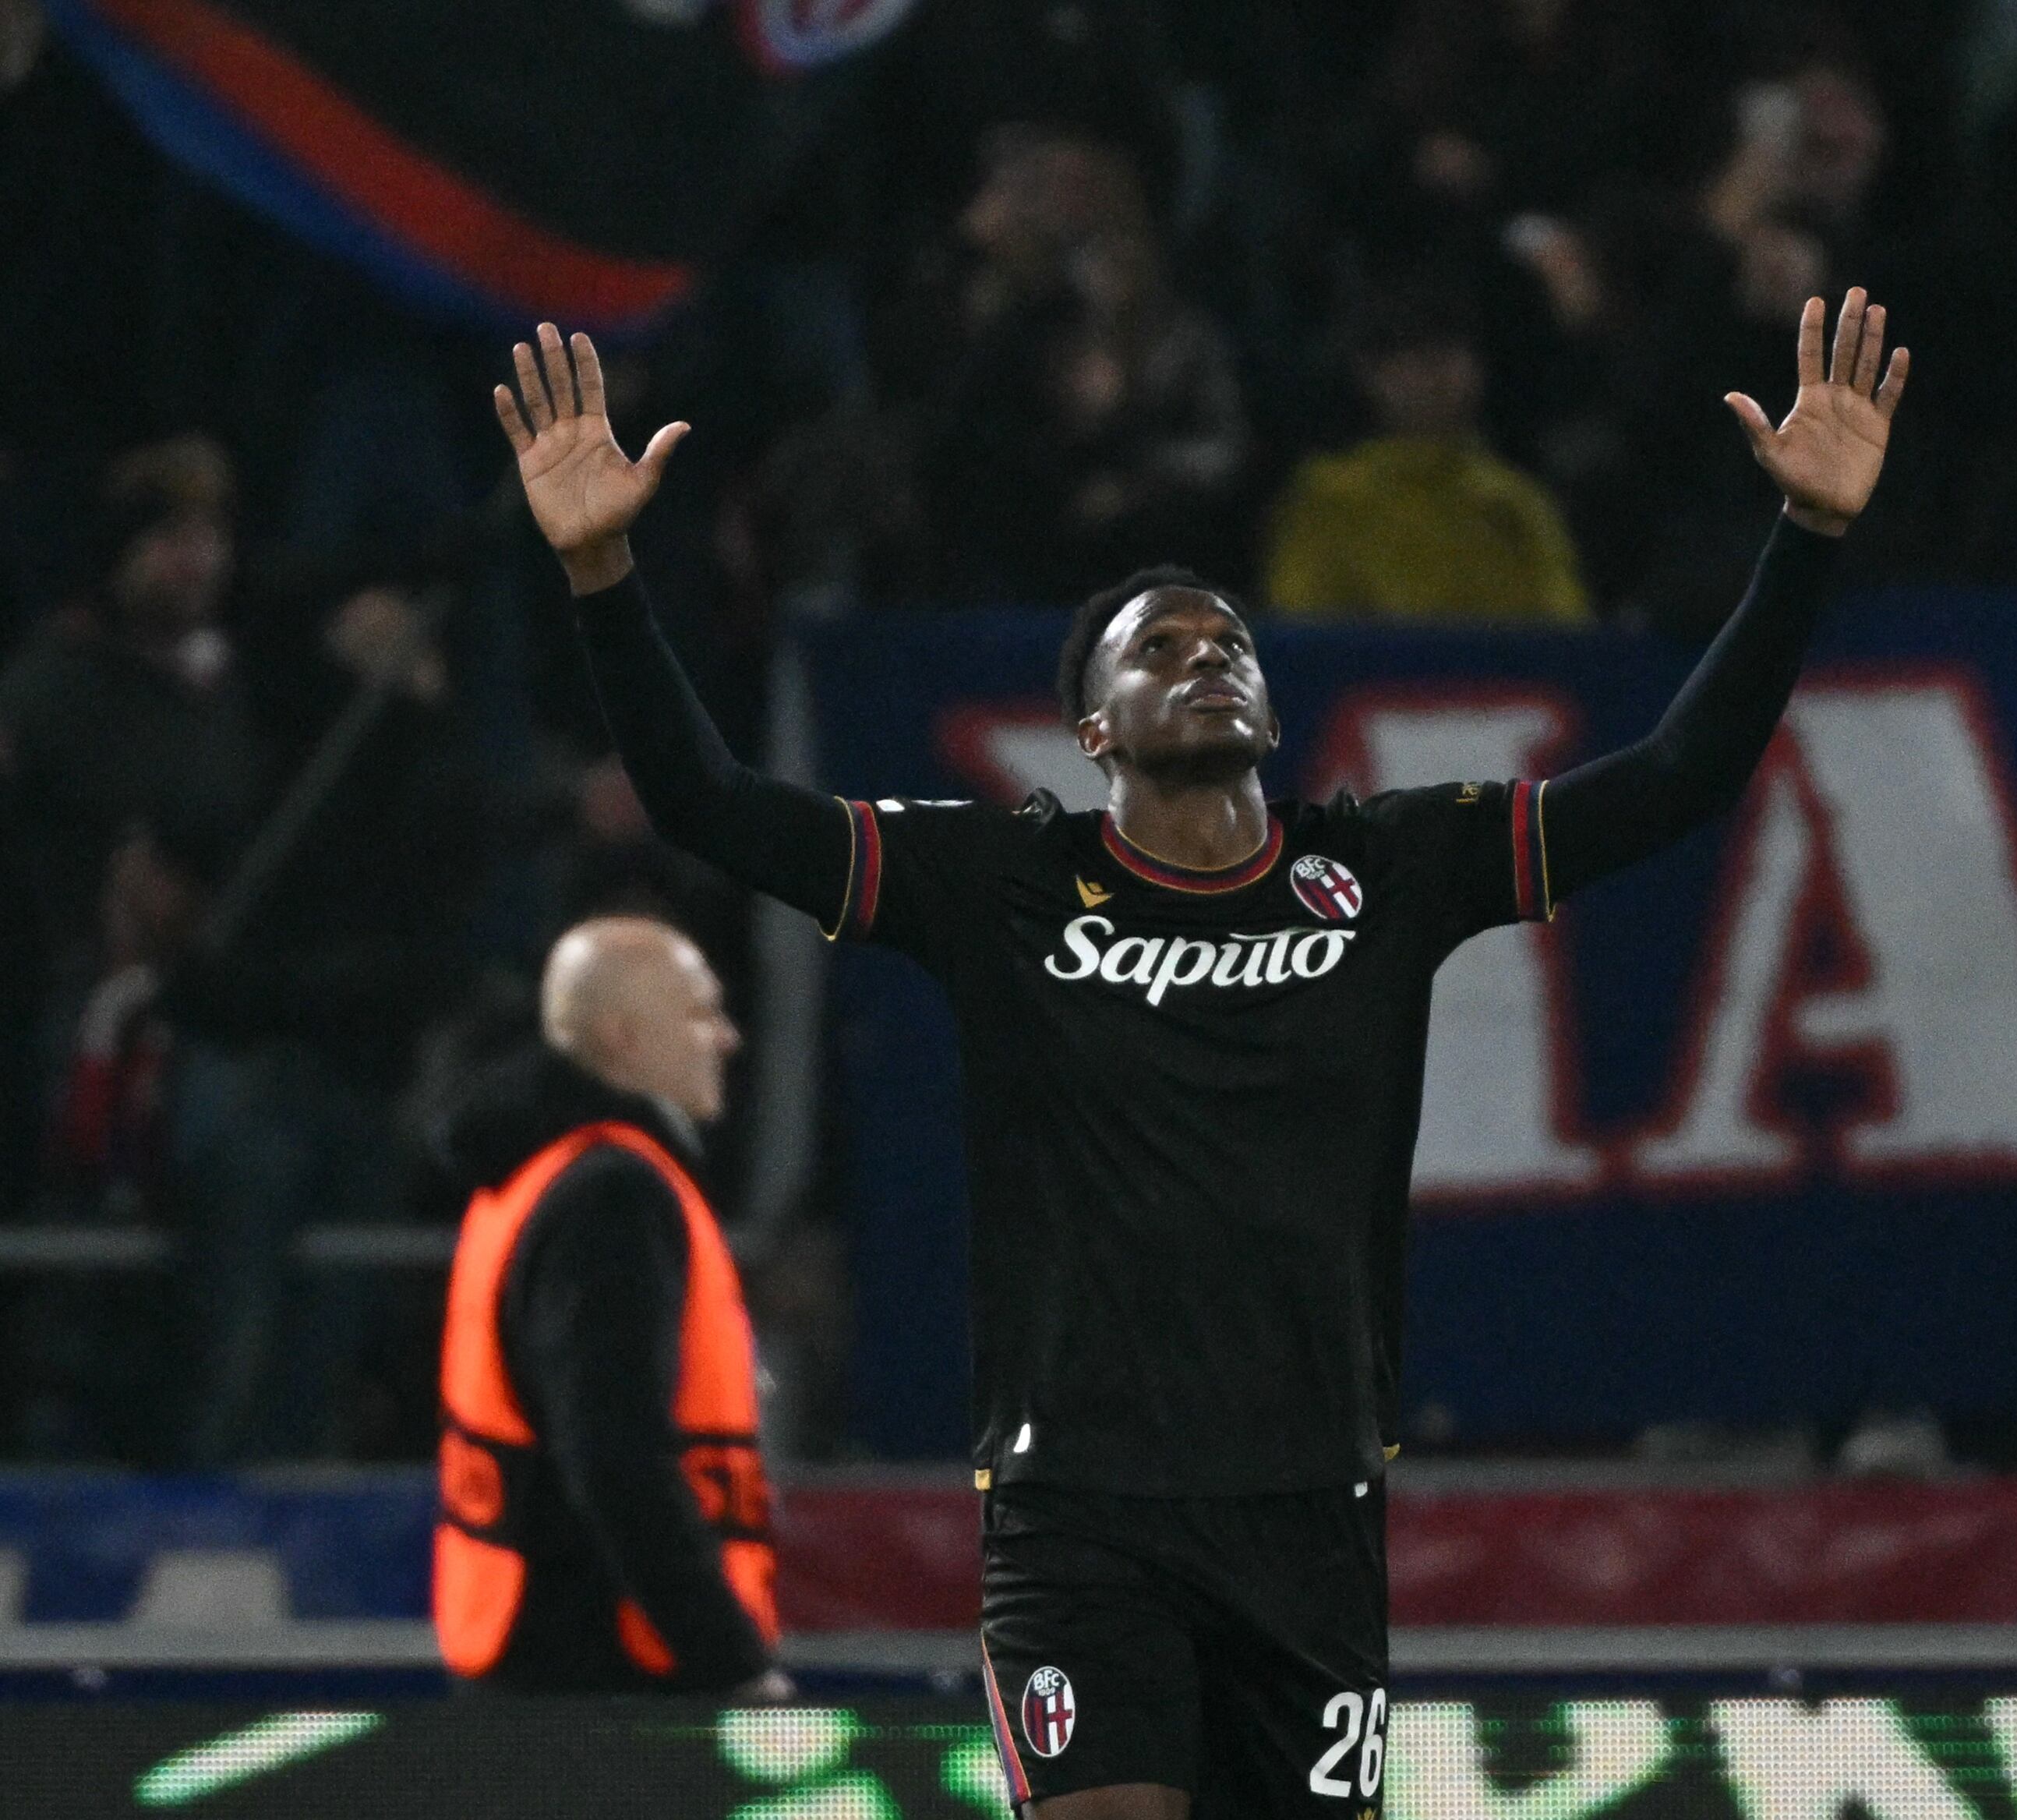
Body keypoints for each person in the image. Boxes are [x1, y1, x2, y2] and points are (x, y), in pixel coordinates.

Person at [494, 297, 1906, 1813]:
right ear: (1090, 731)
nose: (1201, 657)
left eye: (1223, 642)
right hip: (1074, 1509)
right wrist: (600, 574)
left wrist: (1803, 543)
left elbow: (1677, 781)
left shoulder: (1381, 867)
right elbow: (709, 803)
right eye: (1154, 649)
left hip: (1307, 1505)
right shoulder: (1002, 885)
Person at [430, 914, 789, 1697]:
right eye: (700, 1012)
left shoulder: (530, 1175)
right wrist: (731, 1662)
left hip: (533, 1664)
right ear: (624, 1039)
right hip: (610, 1682)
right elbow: (614, 1457)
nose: (725, 1037)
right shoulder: (611, 1195)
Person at [1263, 284, 1590, 622]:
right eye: (1415, 359)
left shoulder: (1514, 501)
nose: (1437, 378)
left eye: (1450, 356)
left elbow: (1565, 628)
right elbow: (1306, 629)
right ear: (1369, 373)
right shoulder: (1330, 496)